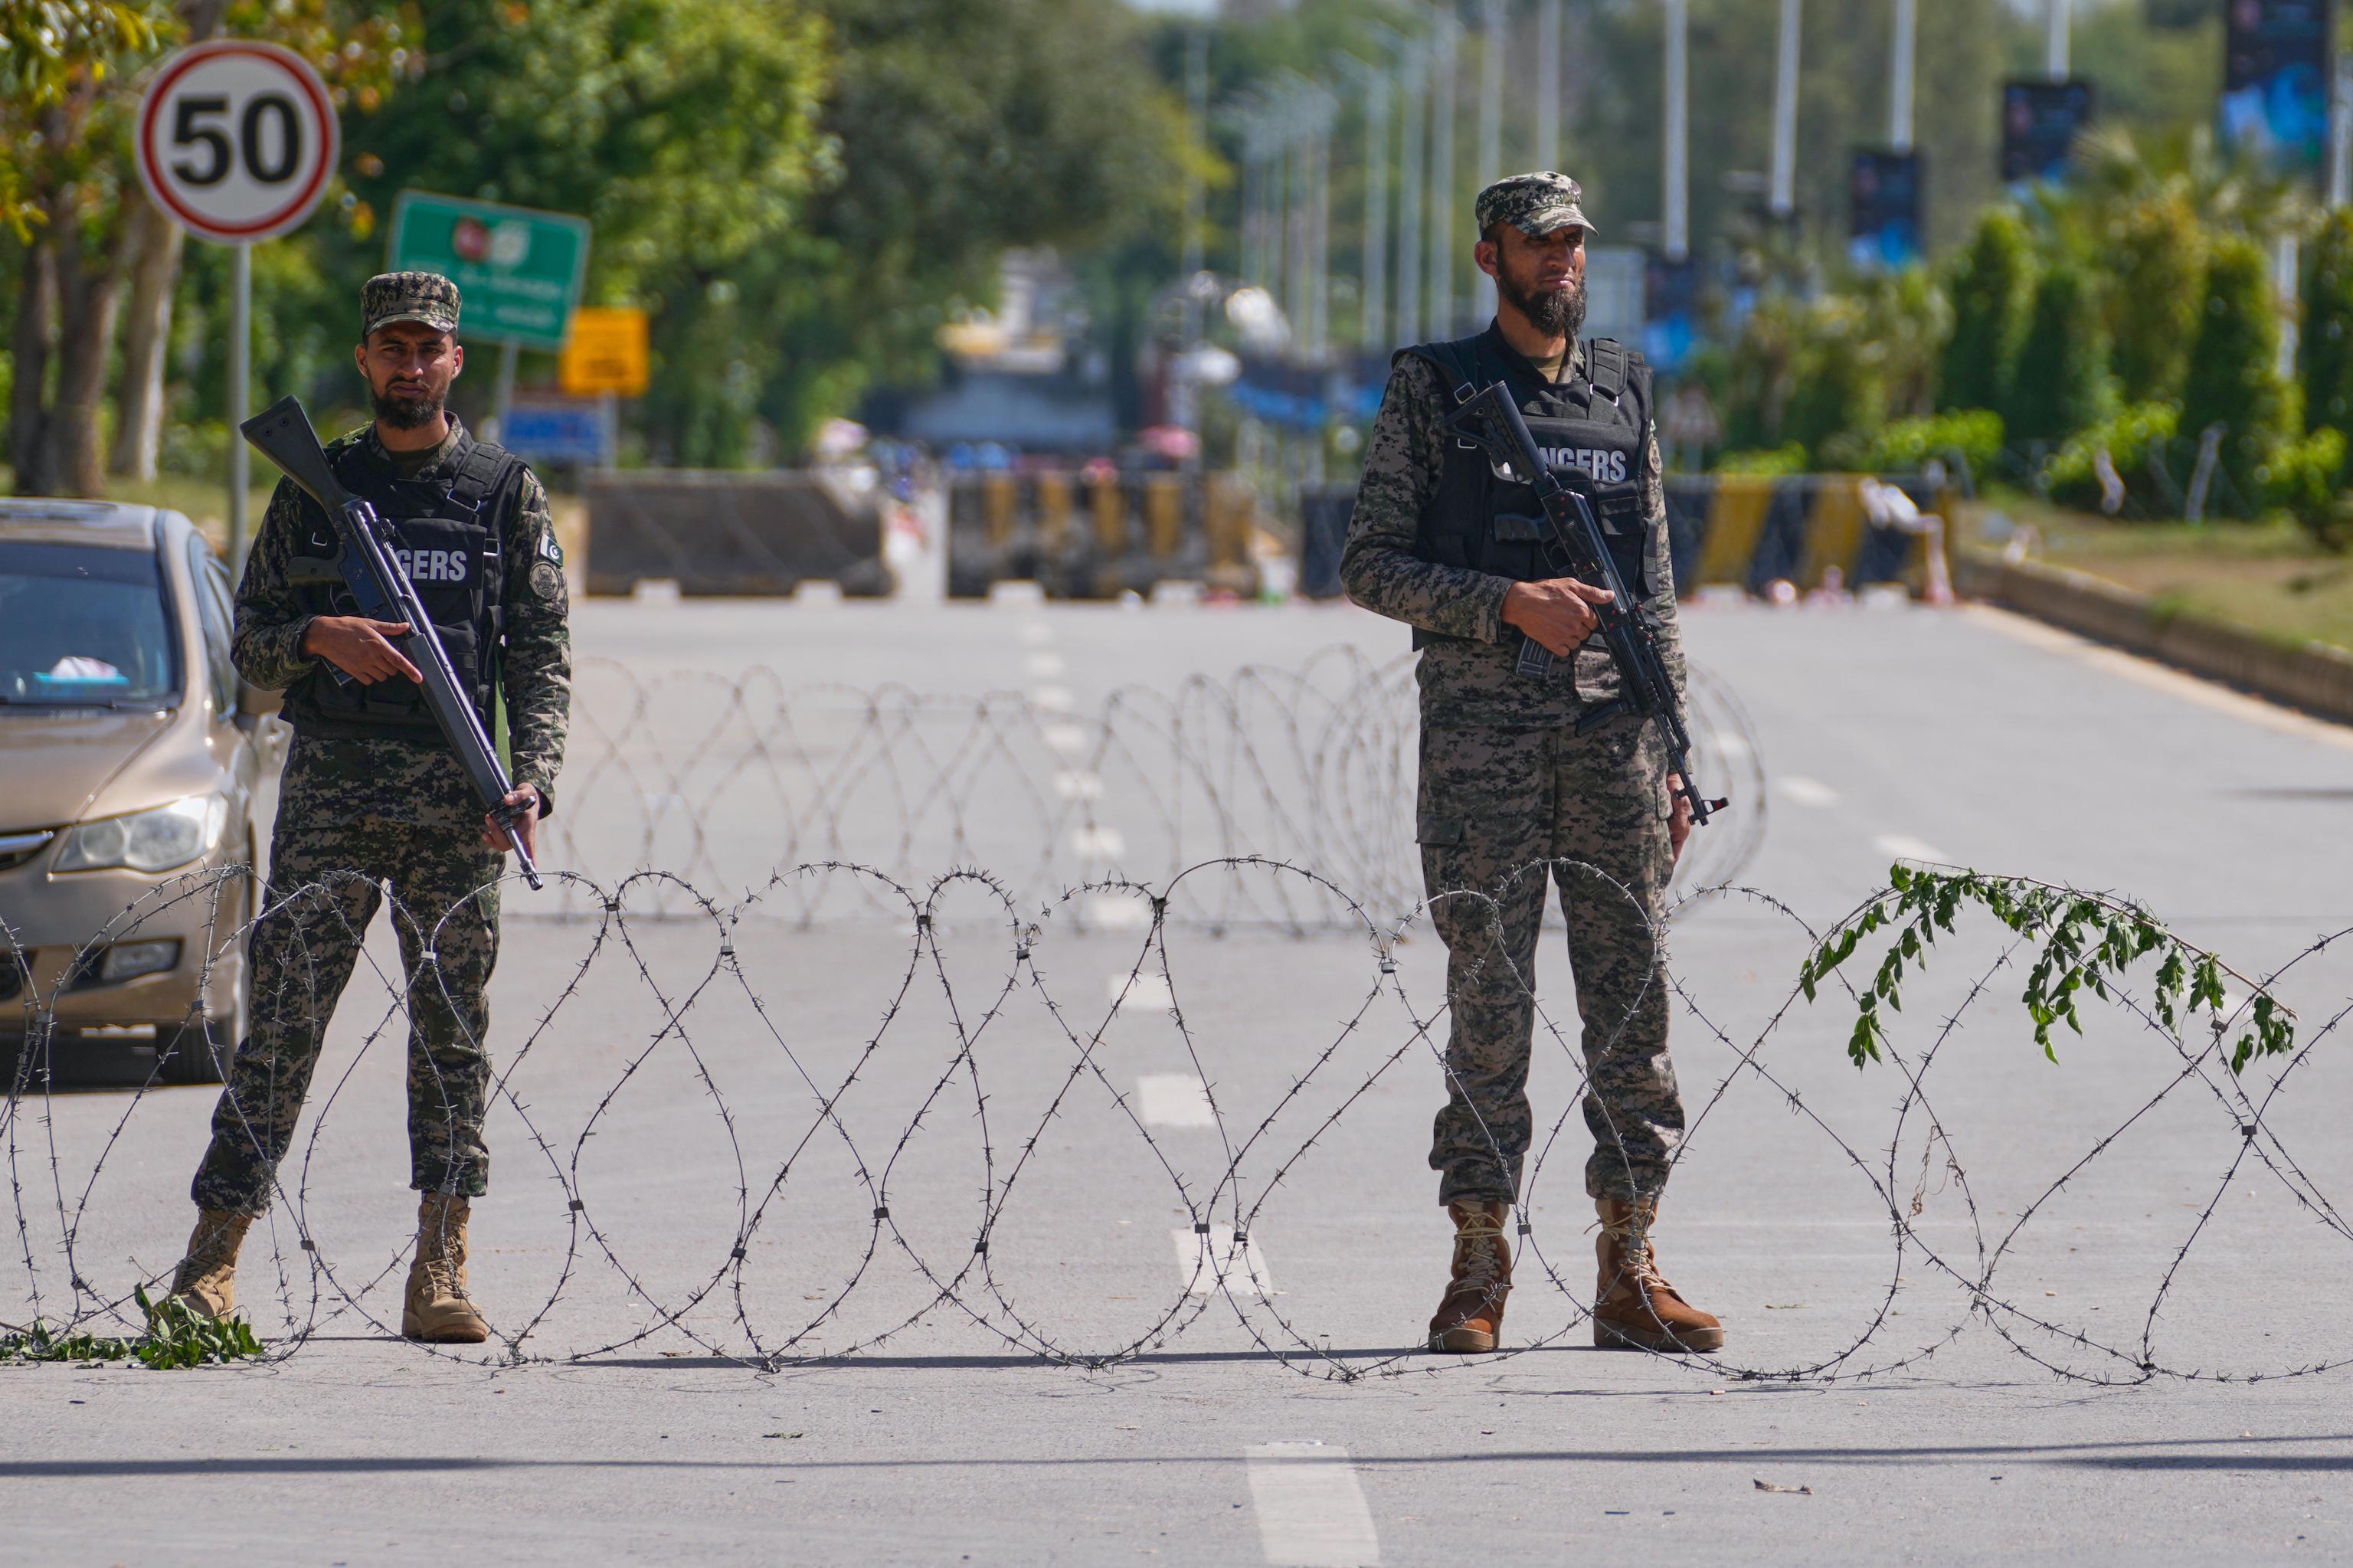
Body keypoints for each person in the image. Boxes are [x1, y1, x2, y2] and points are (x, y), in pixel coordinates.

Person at [1341, 173, 1723, 1357]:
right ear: (1489, 256)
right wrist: (1506, 602)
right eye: (1538, 244)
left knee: (1633, 1009)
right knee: (1490, 1010)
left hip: (1614, 746)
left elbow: (1653, 586)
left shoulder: (1619, 392)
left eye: (1572, 245)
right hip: (1483, 751)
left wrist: (1672, 754)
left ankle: (1630, 1263)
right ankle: (1476, 1266)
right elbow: (1368, 564)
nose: (1561, 262)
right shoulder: (1438, 391)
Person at [165, 272, 571, 1344]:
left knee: (451, 1039)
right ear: (363, 360)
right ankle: (212, 1257)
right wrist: (318, 637)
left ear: (455, 362)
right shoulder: (314, 484)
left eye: (427, 347)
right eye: (390, 346)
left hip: (457, 806)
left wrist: (532, 778)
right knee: (283, 1030)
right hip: (332, 795)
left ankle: (441, 1263)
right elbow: (246, 638)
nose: (409, 363)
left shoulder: (500, 491)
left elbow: (539, 659)